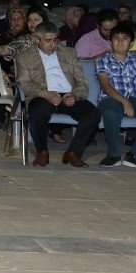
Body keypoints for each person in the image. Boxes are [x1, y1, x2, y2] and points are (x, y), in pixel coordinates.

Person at [14, 21, 100, 167]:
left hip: (67, 95)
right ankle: (42, 152)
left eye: (55, 40)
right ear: (36, 39)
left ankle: (73, 153)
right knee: (37, 111)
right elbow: (24, 84)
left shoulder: (69, 53)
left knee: (93, 114)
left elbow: (82, 82)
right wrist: (45, 94)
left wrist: (74, 95)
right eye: (48, 41)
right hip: (41, 95)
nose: (53, 44)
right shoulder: (25, 57)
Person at [95, 24, 136, 169]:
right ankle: (113, 155)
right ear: (110, 42)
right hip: (110, 98)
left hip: (133, 98)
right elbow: (106, 86)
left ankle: (135, 155)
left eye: (124, 39)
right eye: (116, 38)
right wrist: (125, 102)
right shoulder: (103, 59)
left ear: (131, 43)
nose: (120, 42)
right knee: (111, 113)